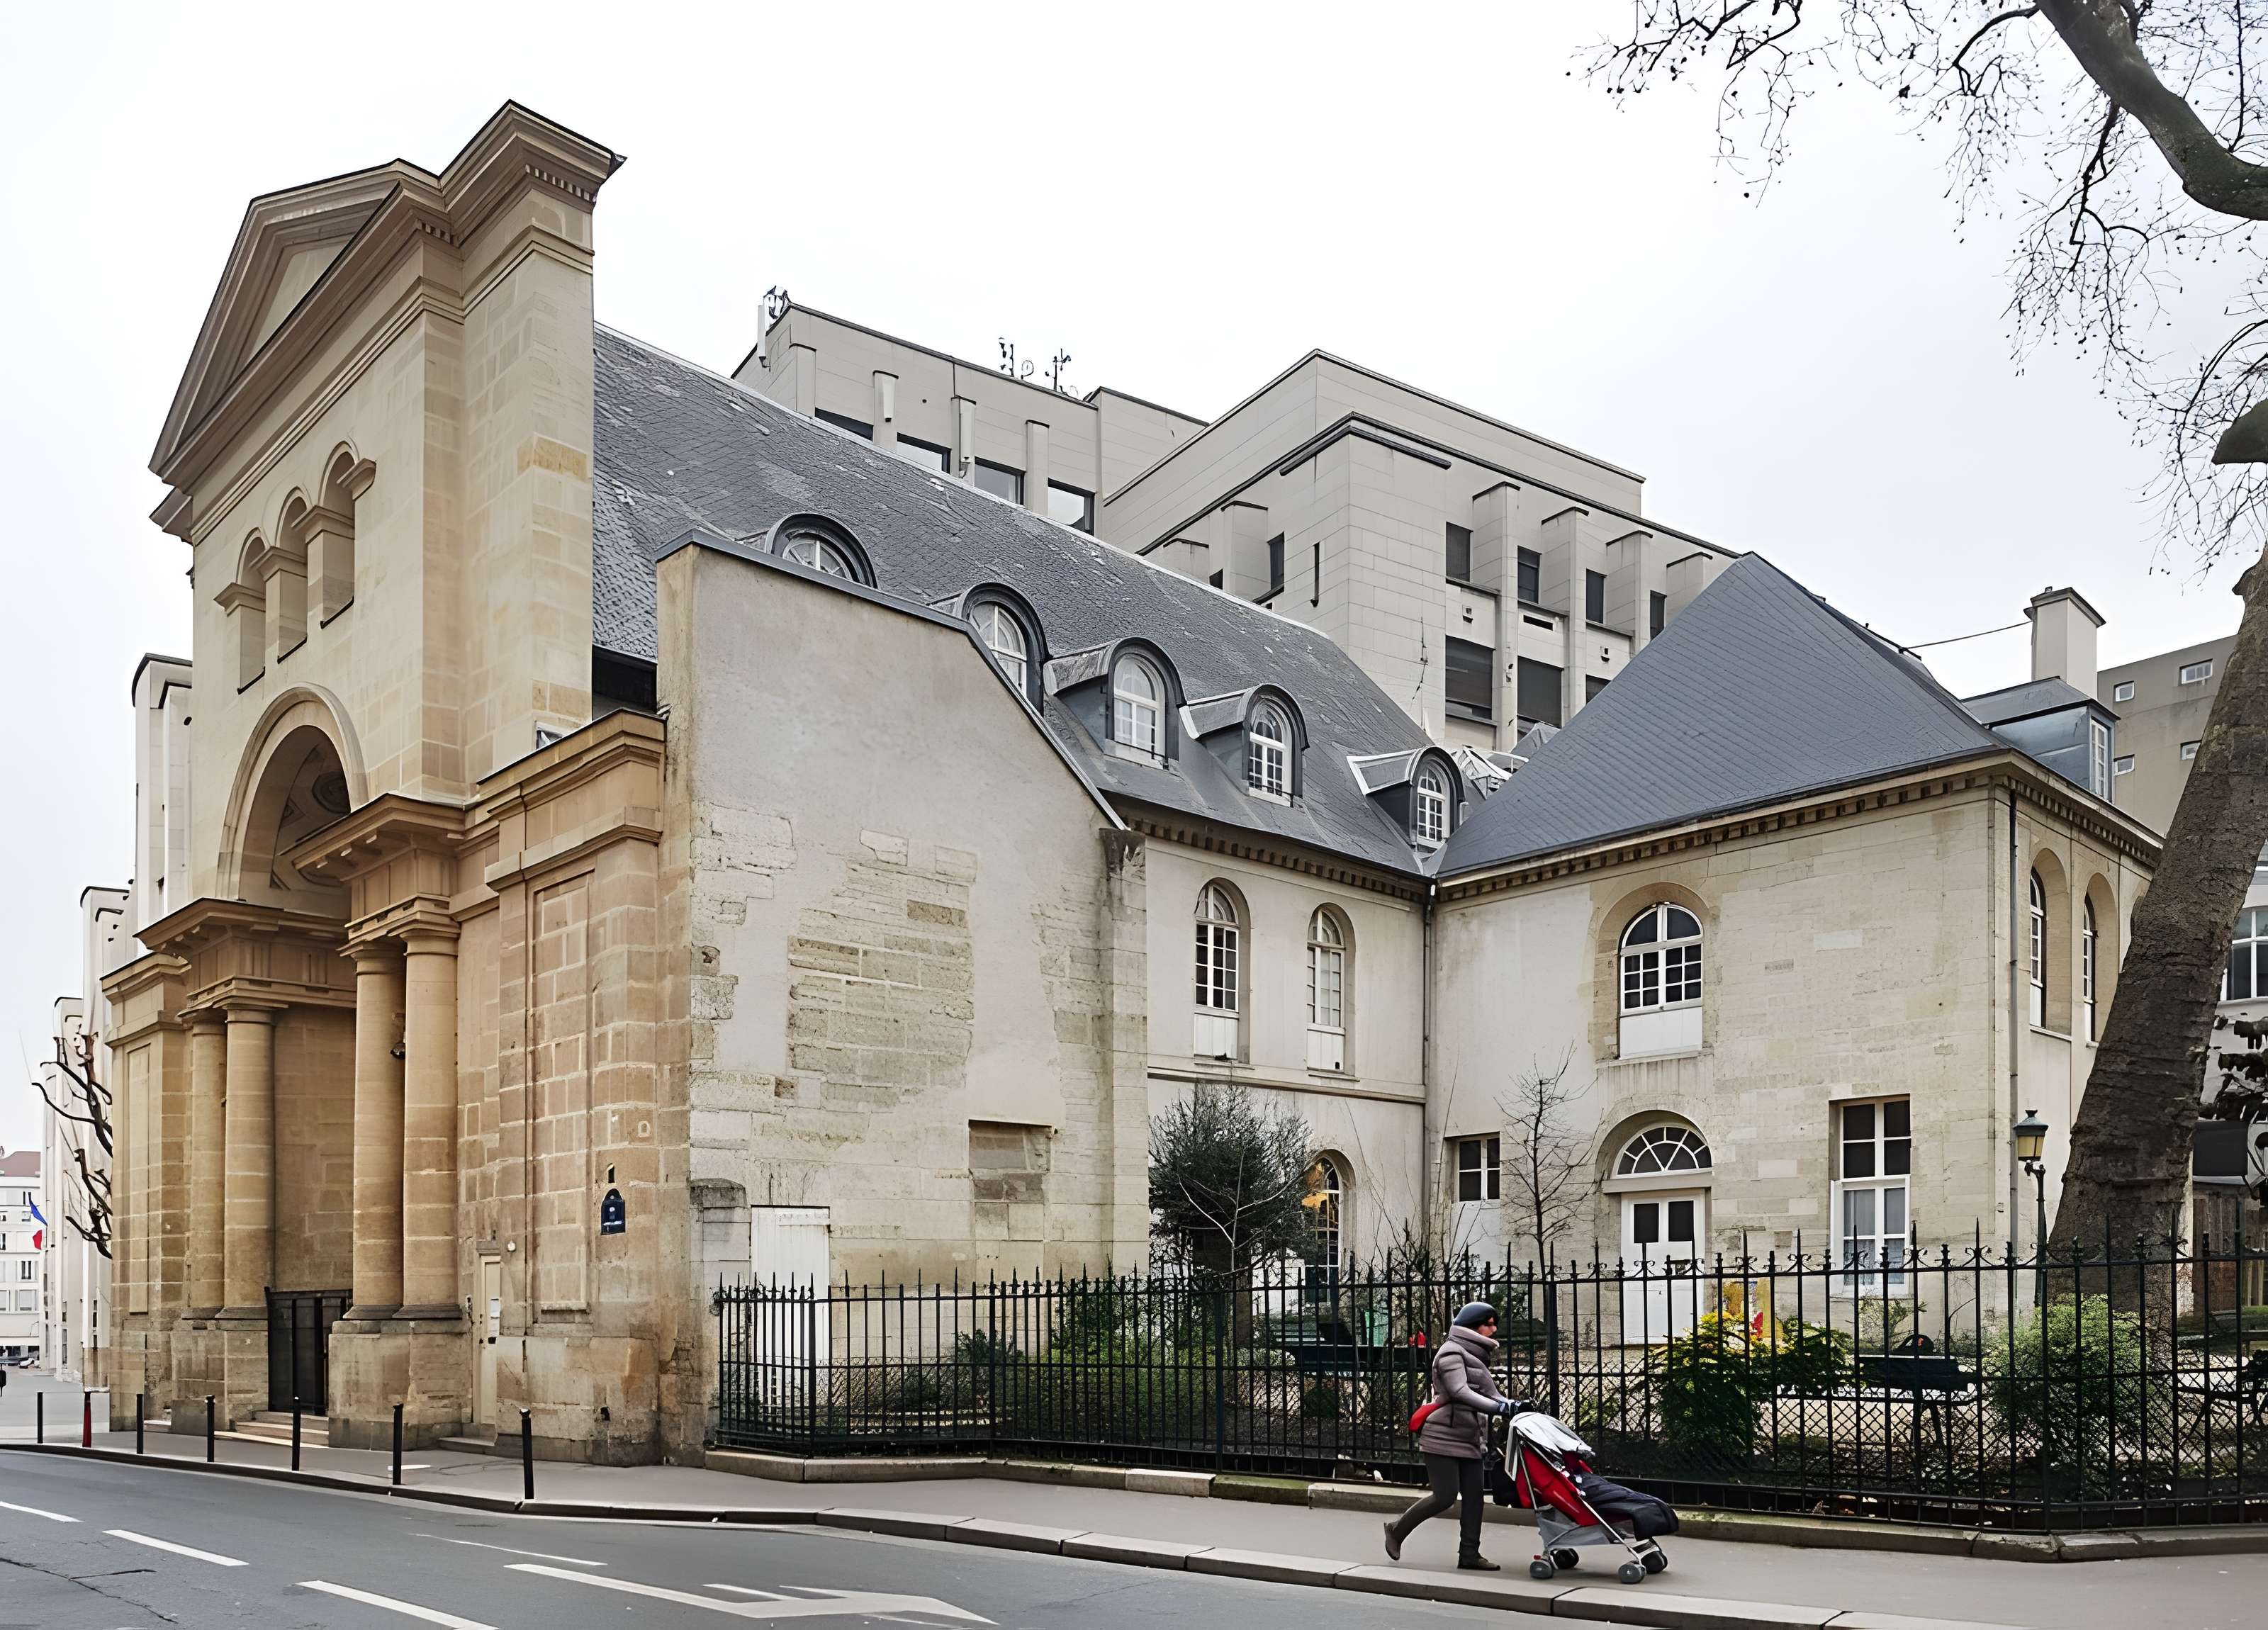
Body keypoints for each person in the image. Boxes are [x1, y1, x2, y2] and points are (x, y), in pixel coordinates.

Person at [1383, 1300, 1520, 1570]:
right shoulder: (1451, 1353)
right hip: (1442, 1436)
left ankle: (1469, 1555)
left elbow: (1491, 1394)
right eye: (1488, 1324)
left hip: (1469, 1436)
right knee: (1444, 1496)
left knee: (1475, 1498)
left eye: (1494, 1324)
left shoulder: (1476, 1356)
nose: (1494, 1329)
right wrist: (1499, 1408)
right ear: (1472, 1326)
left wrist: (1512, 1405)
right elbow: (1460, 1391)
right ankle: (1396, 1531)